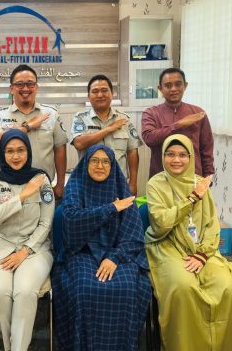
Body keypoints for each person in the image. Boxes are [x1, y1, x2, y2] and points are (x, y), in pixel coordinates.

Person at [146, 134, 232, 350]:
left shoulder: (201, 183)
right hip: (167, 245)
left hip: (201, 249)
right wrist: (191, 199)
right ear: (163, 156)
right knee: (183, 287)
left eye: (182, 155)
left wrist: (203, 254)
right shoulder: (155, 184)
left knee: (229, 285)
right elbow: (161, 224)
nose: (176, 160)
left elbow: (211, 225)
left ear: (191, 157)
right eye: (170, 154)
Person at [52, 144, 151, 351]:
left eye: (106, 161)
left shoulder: (121, 190)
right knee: (85, 289)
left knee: (127, 287)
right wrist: (111, 208)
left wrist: (114, 258)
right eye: (95, 160)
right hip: (82, 252)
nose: (100, 166)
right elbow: (71, 219)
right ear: (86, 163)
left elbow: (133, 236)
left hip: (118, 253)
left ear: (113, 166)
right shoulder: (76, 187)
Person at [0, 129, 54, 351]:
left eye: (21, 150)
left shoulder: (41, 179)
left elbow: (45, 223)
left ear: (28, 151)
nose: (16, 156)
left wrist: (25, 250)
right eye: (9, 151)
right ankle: (10, 346)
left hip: (34, 249)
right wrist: (23, 194)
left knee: (25, 292)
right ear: (2, 153)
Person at [0, 64, 68, 199]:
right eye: (20, 84)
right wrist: (27, 127)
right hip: (8, 189)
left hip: (42, 186)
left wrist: (60, 184)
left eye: (30, 84)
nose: (25, 88)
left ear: (36, 87)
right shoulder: (0, 114)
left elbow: (60, 149)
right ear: (11, 88)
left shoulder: (51, 114)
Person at [71, 74, 143, 194]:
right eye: (95, 91)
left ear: (112, 93)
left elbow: (132, 152)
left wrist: (133, 183)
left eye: (104, 90)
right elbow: (79, 143)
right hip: (88, 185)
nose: (100, 95)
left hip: (118, 184)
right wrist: (108, 130)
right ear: (89, 96)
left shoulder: (124, 119)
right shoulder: (80, 118)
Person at [141, 67, 214, 178]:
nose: (173, 89)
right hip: (162, 180)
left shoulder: (198, 113)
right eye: (168, 85)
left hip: (193, 179)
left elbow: (207, 148)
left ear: (185, 86)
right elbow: (149, 139)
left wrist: (208, 176)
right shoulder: (151, 113)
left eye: (178, 84)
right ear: (160, 89)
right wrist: (180, 124)